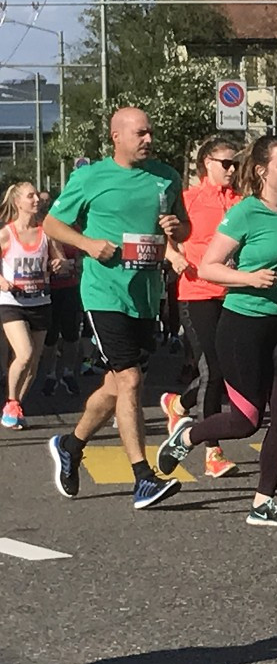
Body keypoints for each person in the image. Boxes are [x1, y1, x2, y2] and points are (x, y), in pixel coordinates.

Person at [155, 134, 277, 527]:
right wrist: (248, 278)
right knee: (246, 421)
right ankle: (189, 435)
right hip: (244, 325)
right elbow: (209, 267)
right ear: (262, 171)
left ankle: (263, 502)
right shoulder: (246, 213)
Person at [45, 107, 190, 509]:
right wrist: (89, 245)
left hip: (144, 295)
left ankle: (70, 445)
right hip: (103, 292)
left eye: (150, 132)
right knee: (129, 381)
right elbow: (53, 224)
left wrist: (178, 231)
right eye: (140, 133)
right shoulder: (91, 177)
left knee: (115, 385)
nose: (148, 139)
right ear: (117, 137)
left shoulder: (166, 176)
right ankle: (143, 477)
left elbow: (185, 226)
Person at [158, 136, 242, 478]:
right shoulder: (188, 199)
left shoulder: (243, 201)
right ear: (207, 163)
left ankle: (177, 404)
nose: (233, 169)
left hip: (236, 294)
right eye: (226, 163)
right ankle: (213, 451)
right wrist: (173, 253)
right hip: (197, 291)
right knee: (213, 370)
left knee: (230, 371)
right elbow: (162, 234)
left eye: (236, 163)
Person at [0, 182, 58, 428]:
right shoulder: (5, 233)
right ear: (18, 203)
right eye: (30, 196)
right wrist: (1, 280)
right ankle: (12, 401)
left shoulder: (46, 233)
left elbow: (60, 259)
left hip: (40, 301)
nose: (36, 199)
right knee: (24, 353)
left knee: (34, 363)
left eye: (37, 195)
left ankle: (15, 407)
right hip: (11, 302)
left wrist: (59, 264)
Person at [40, 236, 82, 398]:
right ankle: (50, 375)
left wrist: (72, 264)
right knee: (50, 336)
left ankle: (68, 372)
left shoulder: (75, 231)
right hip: (49, 289)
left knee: (71, 334)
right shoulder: (43, 232)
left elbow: (81, 261)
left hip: (70, 288)